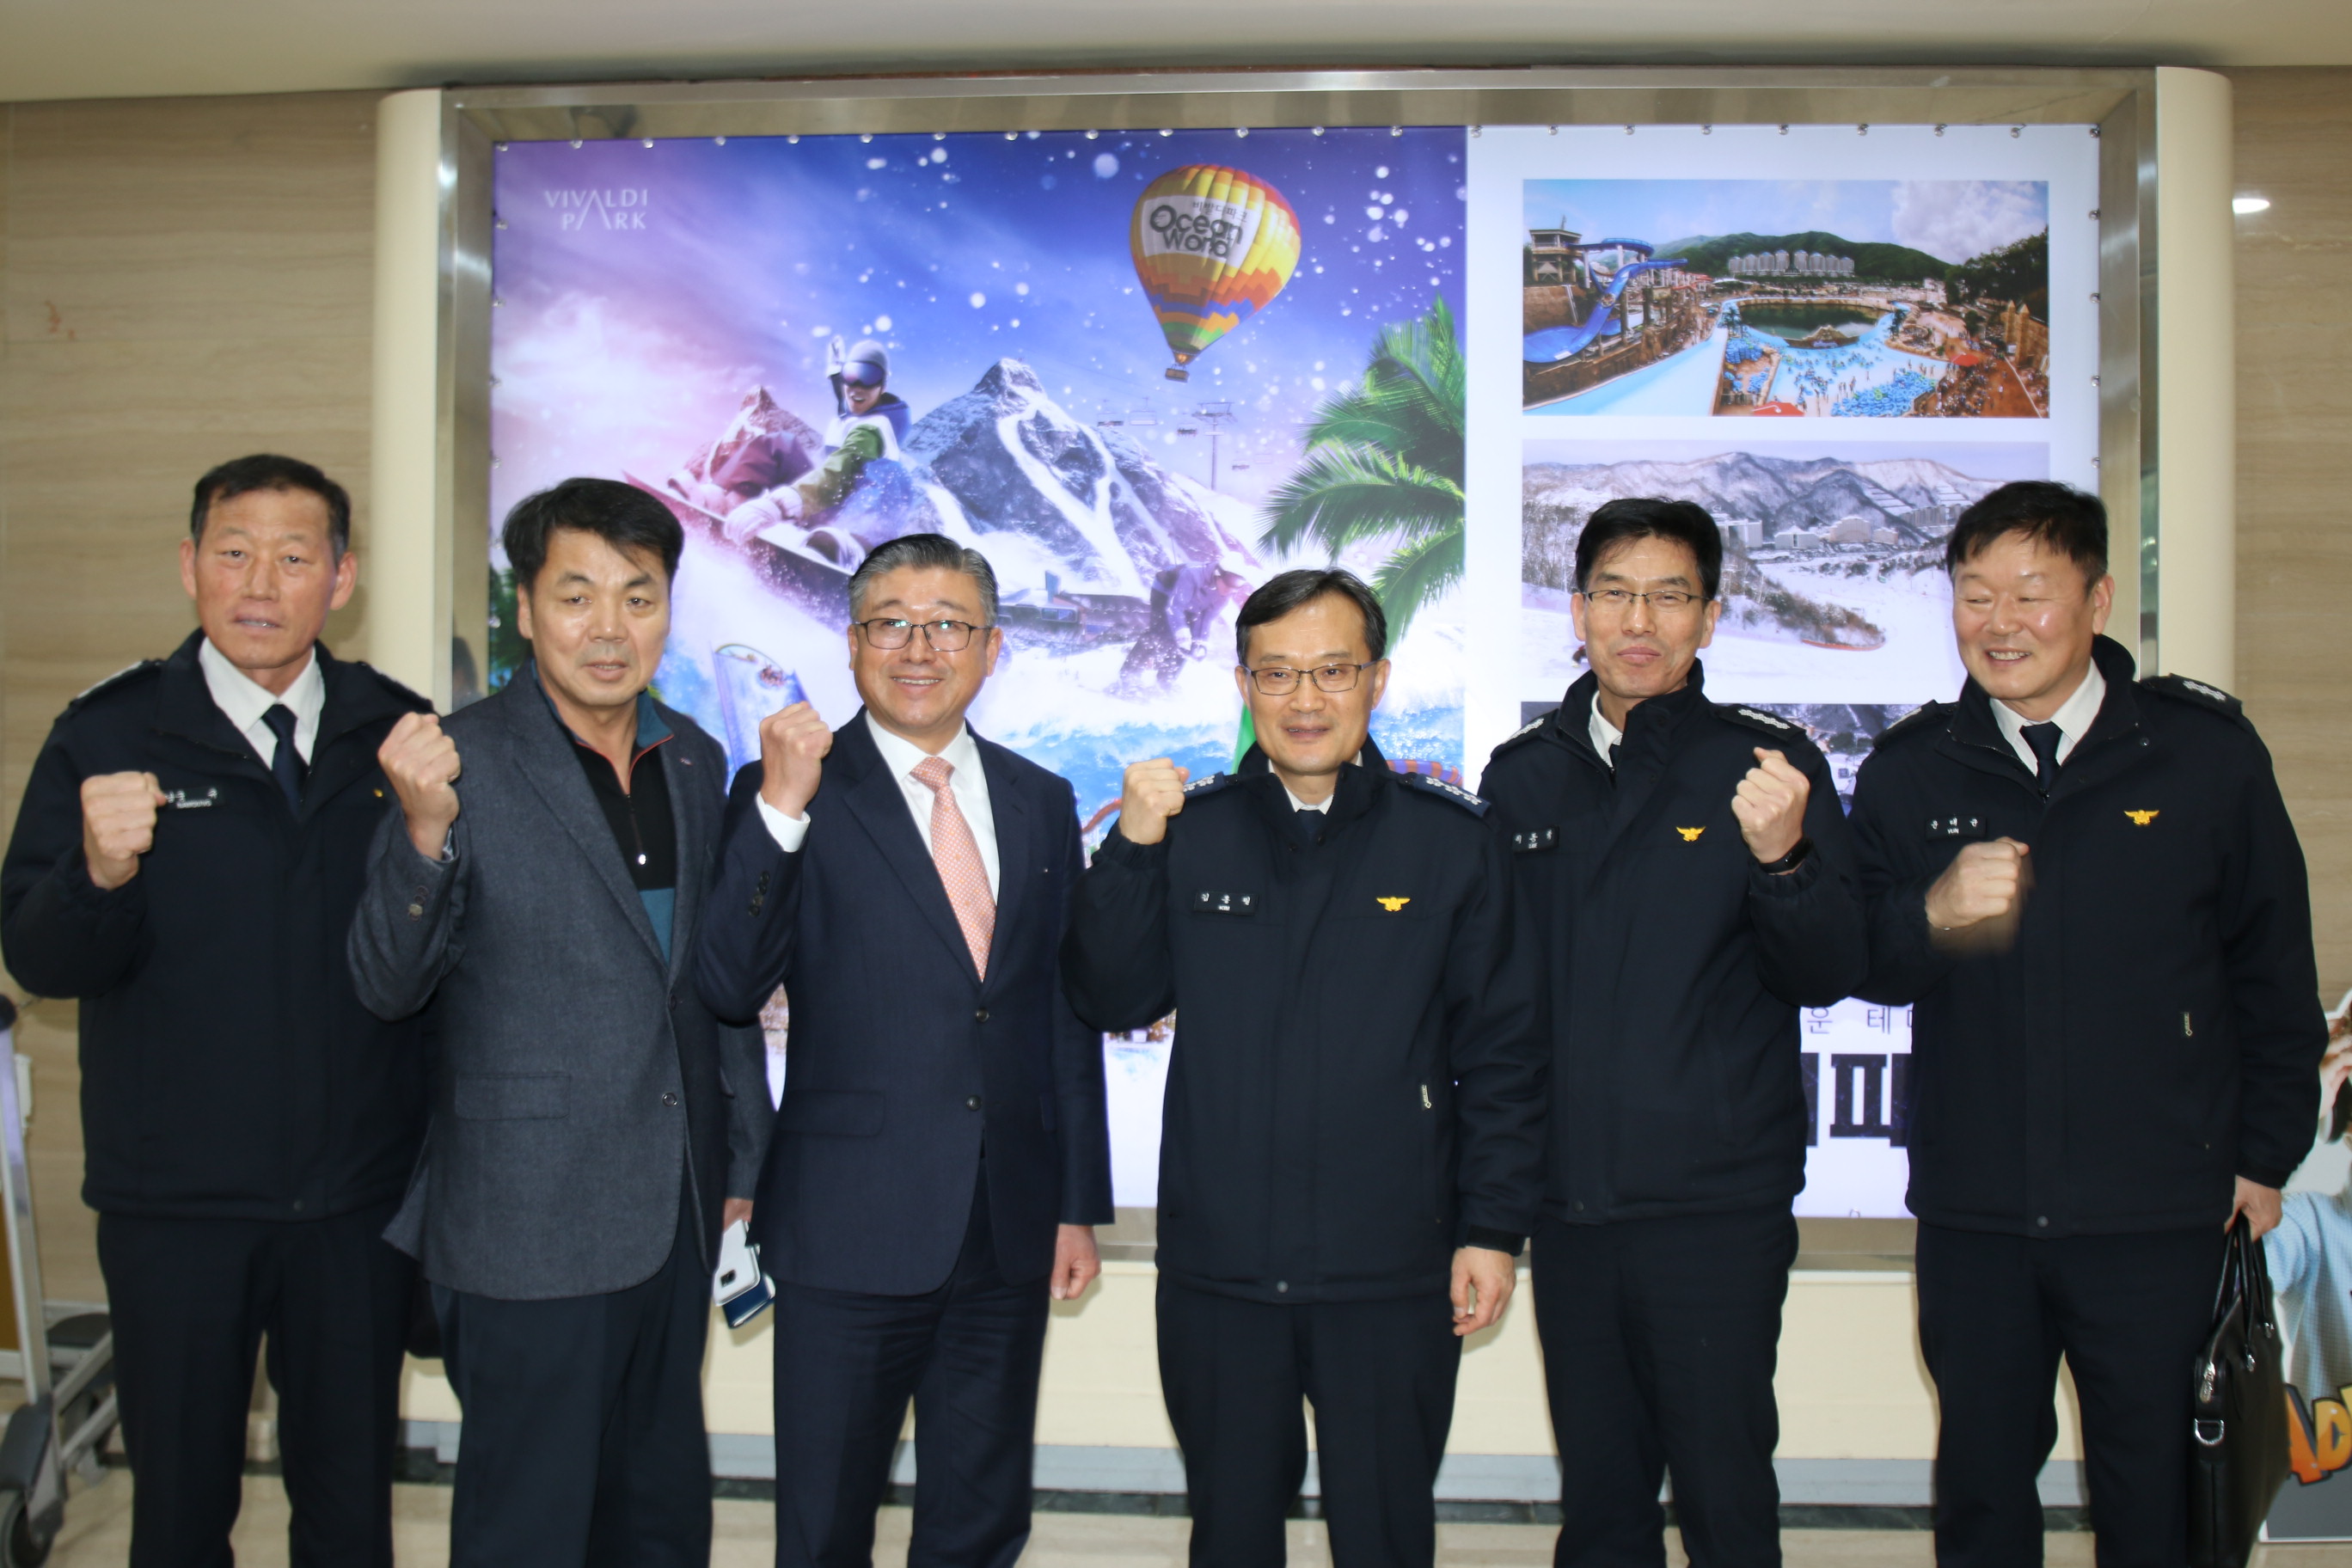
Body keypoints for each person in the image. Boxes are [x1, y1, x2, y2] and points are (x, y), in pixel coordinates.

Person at [1847, 480, 2324, 1567]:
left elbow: (2271, 972)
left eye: (2031, 592)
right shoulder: (1914, 769)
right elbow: (1858, 963)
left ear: (2098, 600)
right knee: (1981, 1493)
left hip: (2158, 1209)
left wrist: (2263, 1156)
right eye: (1975, 595)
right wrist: (1930, 913)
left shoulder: (2203, 756)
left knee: (2159, 1496)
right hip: (1978, 1212)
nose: (2000, 622)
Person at [1062, 568, 1546, 1568]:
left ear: (1378, 679)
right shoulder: (1191, 831)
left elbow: (1502, 1055)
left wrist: (1492, 1230)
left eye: (1333, 670)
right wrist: (1133, 852)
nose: (1306, 698)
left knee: (1385, 1534)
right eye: (1277, 674)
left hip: (1393, 1269)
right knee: (1232, 1534)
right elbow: (1109, 997)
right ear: (1244, 685)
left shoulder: (1450, 841)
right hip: (1221, 1270)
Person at [0, 454, 431, 1567]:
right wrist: (96, 874)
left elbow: (440, 959)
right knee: (181, 1518)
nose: (260, 583)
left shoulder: (398, 736)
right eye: (235, 553)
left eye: (293, 557)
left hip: (355, 1208)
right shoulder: (109, 733)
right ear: (190, 565)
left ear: (340, 579)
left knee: (350, 1517)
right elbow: (37, 958)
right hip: (176, 1210)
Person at [347, 478, 769, 1566]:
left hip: (672, 1210)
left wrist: (745, 1155)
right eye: (576, 596)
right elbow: (386, 983)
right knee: (528, 1527)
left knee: (658, 1516)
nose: (609, 628)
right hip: (524, 1222)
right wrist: (424, 835)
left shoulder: (693, 758)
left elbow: (711, 982)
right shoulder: (453, 760)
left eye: (639, 596)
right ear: (526, 608)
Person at [695, 531, 1113, 1568]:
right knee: (825, 1523)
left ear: (992, 647)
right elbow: (728, 984)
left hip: (1006, 1226)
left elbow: (1060, 1013)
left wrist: (1074, 1202)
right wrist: (781, 807)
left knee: (981, 1518)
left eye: (948, 626)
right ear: (851, 643)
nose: (919, 648)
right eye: (891, 623)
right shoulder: (789, 785)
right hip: (848, 1226)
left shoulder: (1040, 798)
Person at [1479, 497, 1868, 1568]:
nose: (1638, 621)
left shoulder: (1769, 767)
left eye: (1668, 595)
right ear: (1578, 611)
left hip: (1715, 1206)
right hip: (1571, 1202)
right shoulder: (1523, 775)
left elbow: (1829, 972)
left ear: (1709, 617)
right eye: (1615, 593)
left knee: (1724, 1490)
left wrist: (1786, 859)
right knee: (1602, 1498)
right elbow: (1496, 998)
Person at [1115, 559, 1253, 694]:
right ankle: (1128, 677)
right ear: (1218, 573)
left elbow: (1205, 619)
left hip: (1191, 604)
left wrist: (1200, 642)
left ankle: (1165, 682)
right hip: (1165, 594)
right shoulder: (1192, 575)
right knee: (1159, 633)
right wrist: (1181, 632)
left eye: (1238, 584)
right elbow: (1175, 607)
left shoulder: (1225, 594)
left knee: (1189, 645)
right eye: (1230, 581)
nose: (1231, 589)